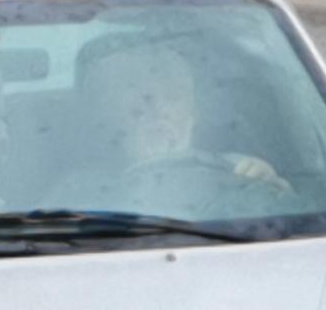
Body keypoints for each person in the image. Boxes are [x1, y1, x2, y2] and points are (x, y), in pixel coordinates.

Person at [83, 37, 289, 217]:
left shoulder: (235, 168)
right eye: (141, 103)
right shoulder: (85, 186)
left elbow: (283, 218)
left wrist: (271, 184)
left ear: (193, 113)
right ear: (109, 119)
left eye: (173, 97)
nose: (159, 110)